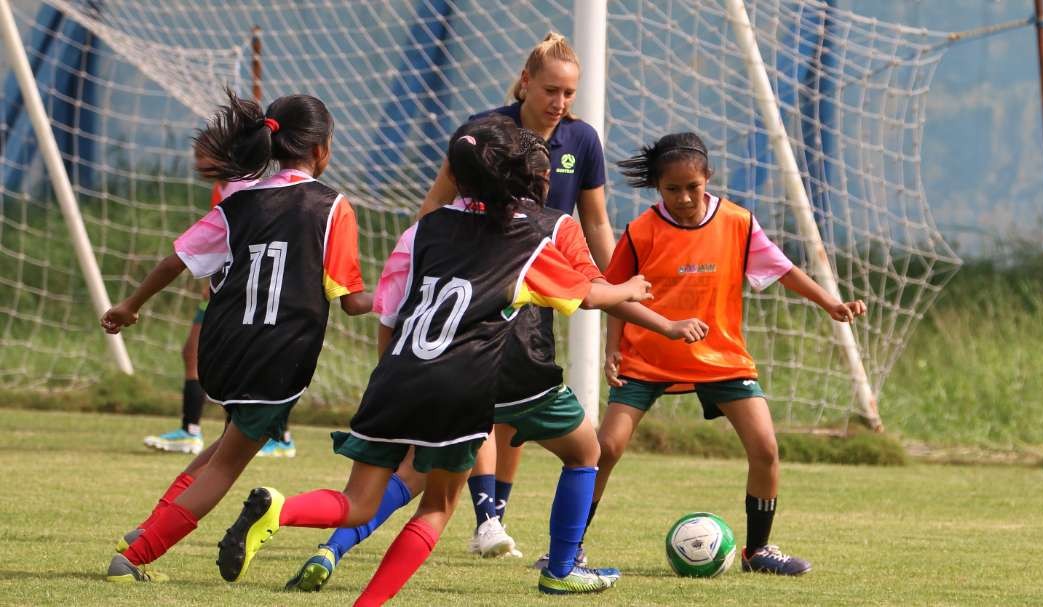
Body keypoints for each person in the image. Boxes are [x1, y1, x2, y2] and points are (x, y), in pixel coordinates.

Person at [215, 116, 652, 604]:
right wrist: (630, 287)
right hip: (462, 383)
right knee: (437, 507)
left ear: (456, 176)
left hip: (395, 376)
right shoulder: (529, 238)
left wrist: (391, 375)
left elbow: (389, 312)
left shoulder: (423, 231)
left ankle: (282, 510)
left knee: (357, 503)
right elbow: (588, 295)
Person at [101, 89, 371, 582]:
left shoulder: (240, 200)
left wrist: (129, 305)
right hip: (277, 358)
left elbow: (176, 260)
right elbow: (352, 302)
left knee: (221, 448)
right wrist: (404, 293)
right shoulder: (333, 208)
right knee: (227, 467)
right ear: (321, 149)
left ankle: (143, 532)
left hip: (222, 350)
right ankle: (134, 559)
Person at [584, 132, 868, 576]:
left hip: (722, 357)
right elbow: (615, 293)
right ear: (658, 188)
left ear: (708, 179)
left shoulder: (738, 222)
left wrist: (828, 302)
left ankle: (758, 551)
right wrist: (612, 349)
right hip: (649, 358)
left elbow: (783, 269)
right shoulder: (642, 231)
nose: (683, 198)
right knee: (606, 447)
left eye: (691, 188)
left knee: (765, 449)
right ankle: (570, 547)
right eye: (671, 190)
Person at [419, 30, 616, 557]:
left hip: (538, 288)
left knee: (515, 409)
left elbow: (595, 223)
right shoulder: (482, 132)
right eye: (551, 90)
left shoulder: (581, 141)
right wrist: (419, 266)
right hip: (481, 284)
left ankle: (490, 517)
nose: (560, 103)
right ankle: (485, 519)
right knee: (485, 402)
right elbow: (435, 206)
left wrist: (612, 284)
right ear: (525, 83)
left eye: (569, 93)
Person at [141, 167, 257, 456]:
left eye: (205, 152)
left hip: (240, 290)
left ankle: (274, 434)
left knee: (244, 360)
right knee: (193, 352)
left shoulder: (246, 188)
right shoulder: (223, 187)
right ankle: (190, 430)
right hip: (222, 286)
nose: (198, 159)